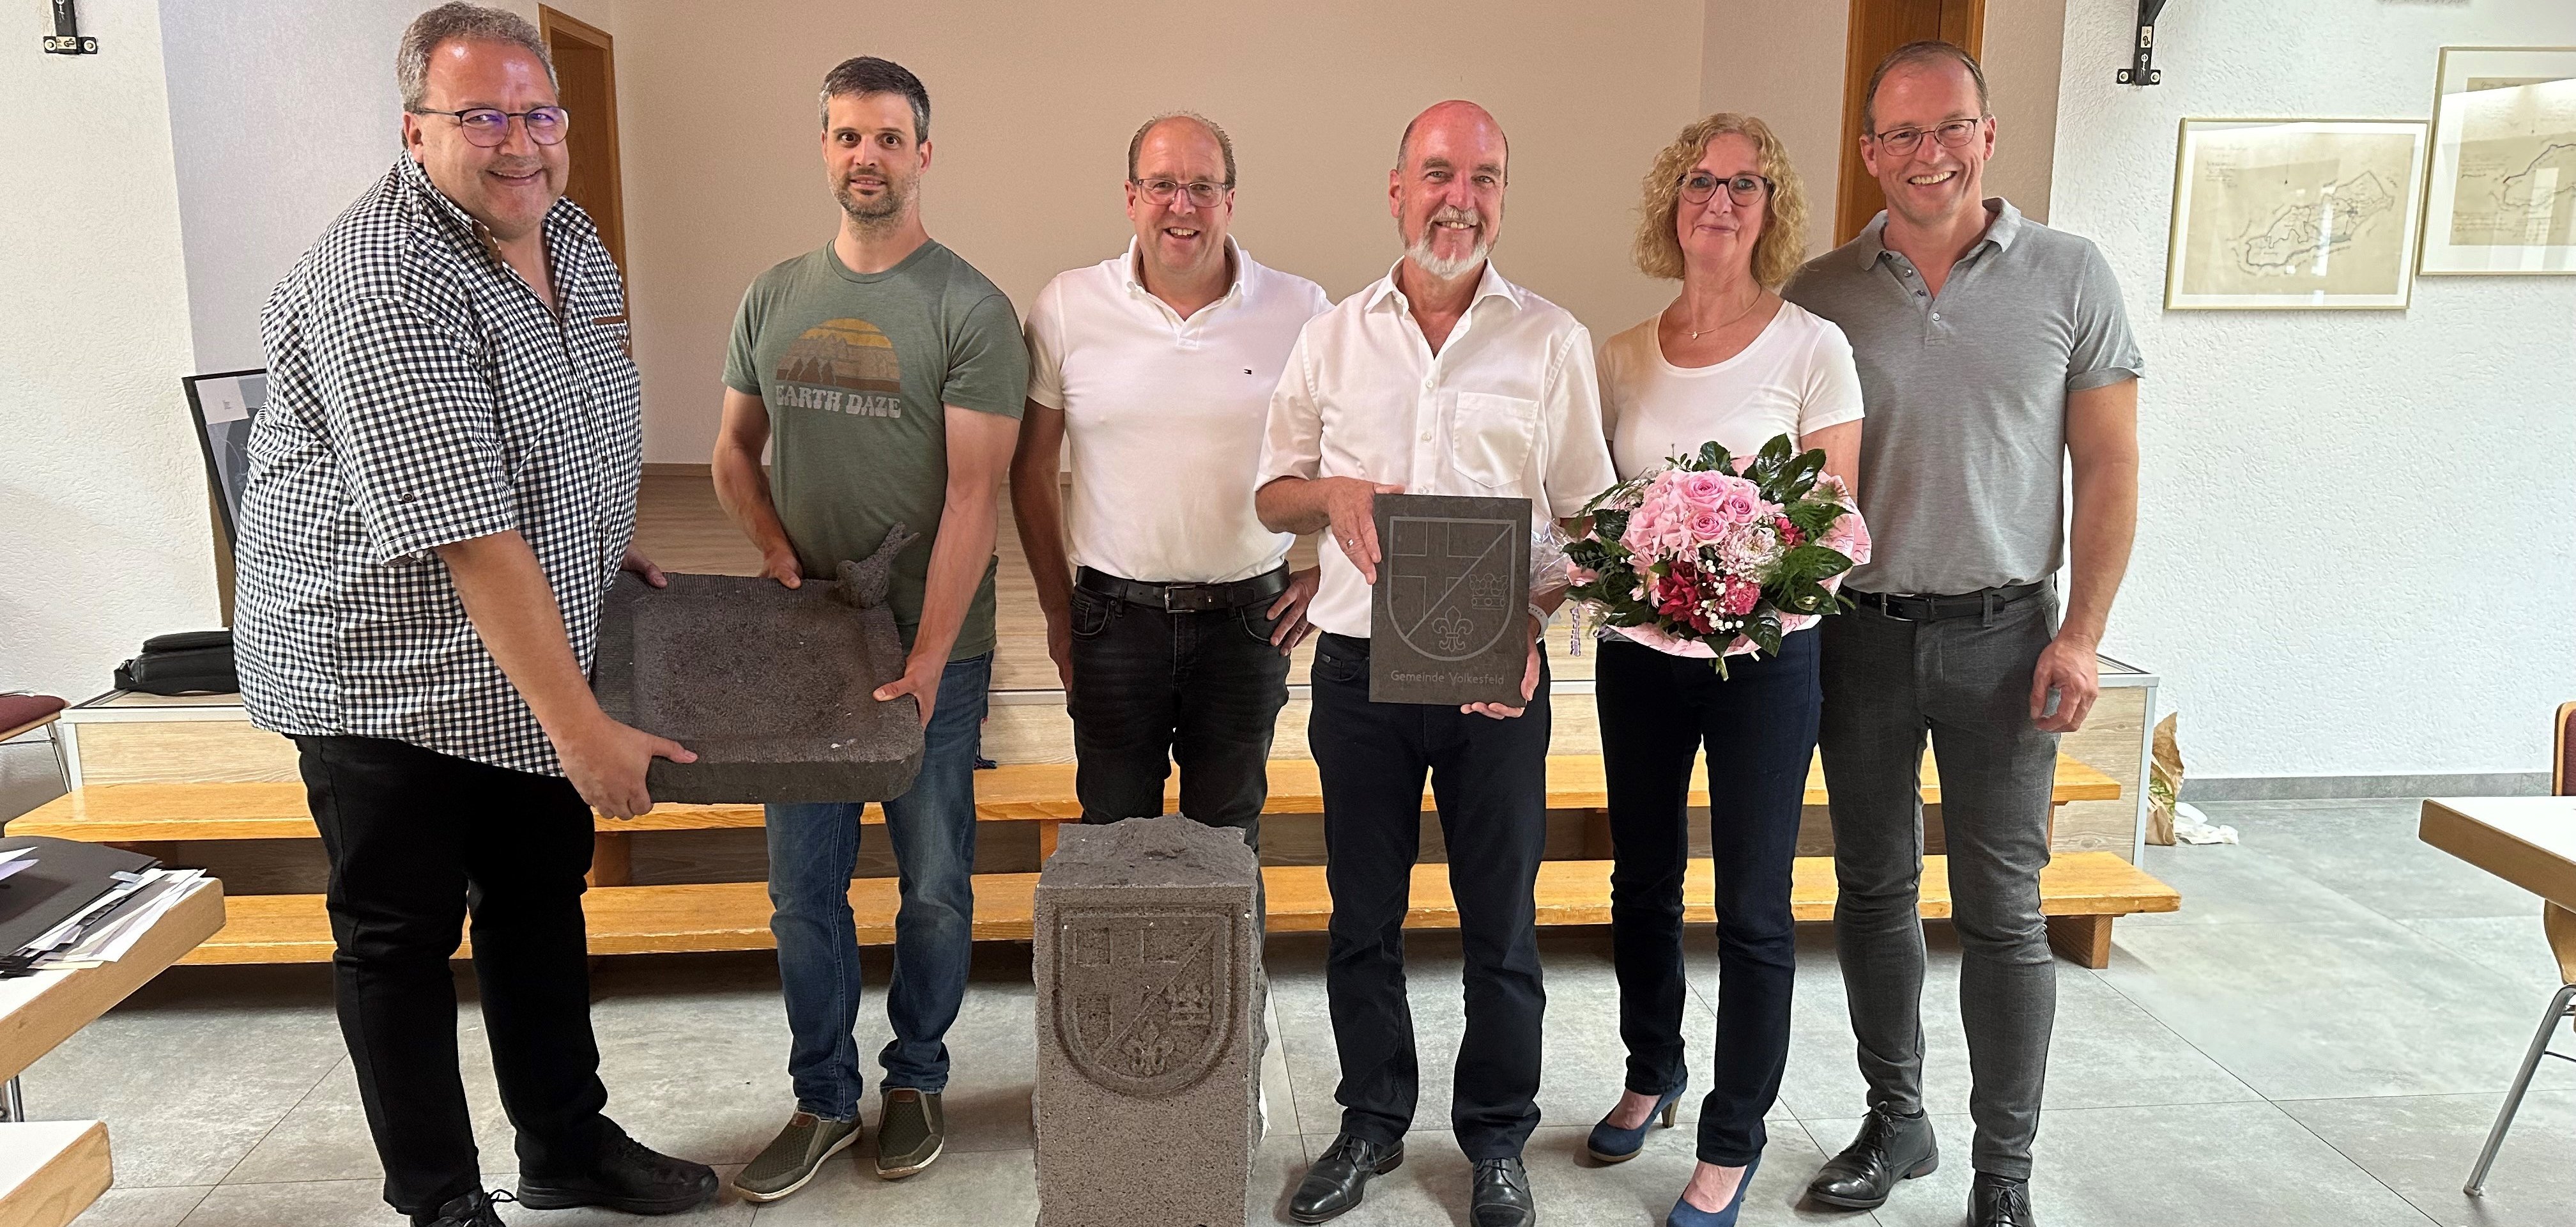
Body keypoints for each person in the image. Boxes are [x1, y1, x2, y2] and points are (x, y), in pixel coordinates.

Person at [231, 6, 718, 1226]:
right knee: (398, 937)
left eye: (538, 113)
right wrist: (585, 732)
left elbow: (570, 421)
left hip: (524, 639)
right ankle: (441, 1203)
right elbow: (468, 532)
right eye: (481, 116)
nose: (520, 142)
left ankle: (564, 1145)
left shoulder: (568, 234)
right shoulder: (383, 278)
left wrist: (596, 539)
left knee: (537, 899)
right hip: (381, 667)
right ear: (415, 131)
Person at [1782, 42, 2141, 1227]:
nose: (1925, 153)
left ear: (1986, 135)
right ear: (1869, 152)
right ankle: (1898, 1122)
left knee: (2006, 912)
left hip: (2008, 640)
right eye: (1900, 133)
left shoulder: (2071, 275)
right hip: (1860, 636)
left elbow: (2110, 466)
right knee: (1872, 889)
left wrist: (2082, 634)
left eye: (1948, 128)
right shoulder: (1820, 294)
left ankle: (2005, 1170)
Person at [1255, 100, 1616, 1227]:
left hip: (1494, 678)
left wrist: (1531, 617)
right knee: (1361, 919)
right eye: (1439, 173)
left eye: (1485, 178)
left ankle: (1497, 1137)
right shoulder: (1333, 335)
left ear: (1503, 196)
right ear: (1397, 190)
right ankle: (1370, 1122)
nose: (1460, 199)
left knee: (1499, 921)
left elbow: (1589, 520)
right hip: (1359, 672)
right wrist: (1333, 496)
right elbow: (1272, 493)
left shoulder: (1550, 339)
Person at [710, 56, 1026, 1203]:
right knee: (803, 892)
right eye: (848, 135)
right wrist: (773, 548)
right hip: (809, 649)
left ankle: (918, 1078)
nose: (867, 157)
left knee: (934, 882)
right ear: (825, 148)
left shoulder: (969, 308)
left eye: (889, 137)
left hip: (933, 645)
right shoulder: (773, 297)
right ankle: (823, 1098)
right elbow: (731, 453)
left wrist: (931, 655)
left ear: (922, 153)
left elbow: (974, 497)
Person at [1584, 114, 1863, 1227]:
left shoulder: (1813, 347)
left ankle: (1733, 1136)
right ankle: (1652, 1068)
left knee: (1752, 903)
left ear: (1770, 209)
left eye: (1746, 185)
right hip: (1639, 659)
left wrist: (1739, 590)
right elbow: (1595, 513)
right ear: (1673, 200)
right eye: (1702, 180)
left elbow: (1833, 522)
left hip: (1766, 666)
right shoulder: (1620, 355)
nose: (1720, 200)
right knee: (1640, 880)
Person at [1009, 111, 1326, 849]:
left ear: (1230, 200)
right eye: (1161, 185)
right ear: (1131, 197)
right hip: (1113, 623)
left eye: (1202, 187)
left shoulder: (1302, 310)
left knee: (1228, 843)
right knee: (1112, 844)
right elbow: (1031, 469)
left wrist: (1333, 576)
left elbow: (1365, 454)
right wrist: (1058, 611)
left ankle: (1227, 937)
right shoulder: (1067, 306)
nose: (1182, 205)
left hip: (1248, 623)